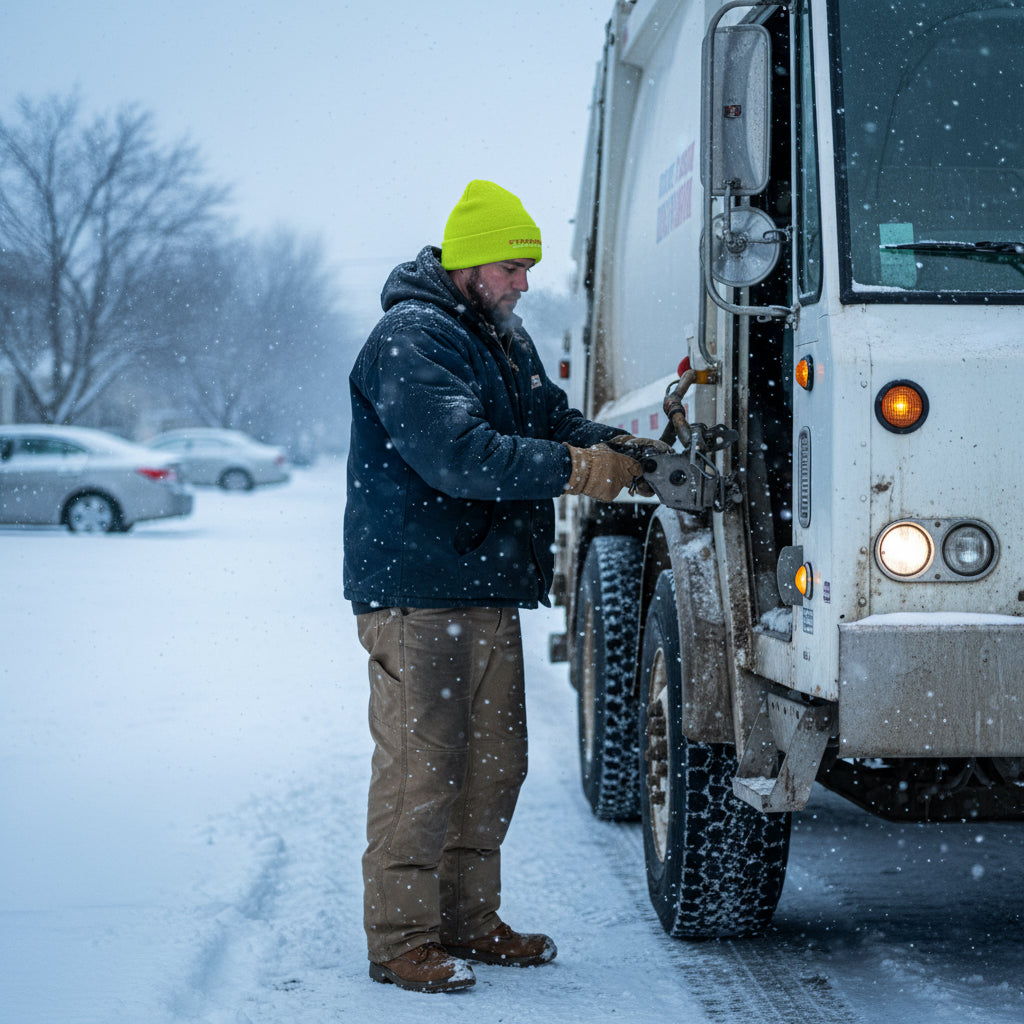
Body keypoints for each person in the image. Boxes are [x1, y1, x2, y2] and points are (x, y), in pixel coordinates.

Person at [343, 180, 663, 993]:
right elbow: (458, 453)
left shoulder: (501, 338)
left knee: (493, 765)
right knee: (422, 768)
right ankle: (401, 940)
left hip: (483, 586)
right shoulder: (412, 338)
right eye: (511, 266)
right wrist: (579, 471)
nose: (524, 281)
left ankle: (467, 919)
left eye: (527, 267)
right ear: (466, 264)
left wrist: (618, 445)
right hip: (419, 591)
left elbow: (548, 422)